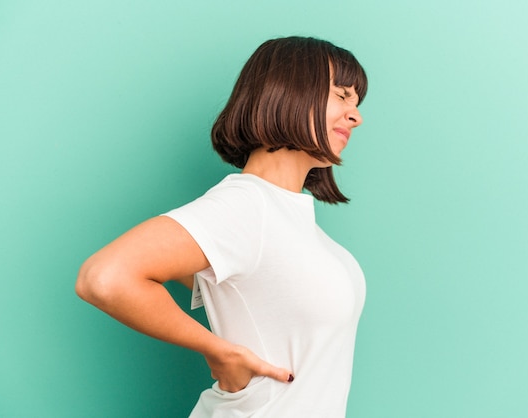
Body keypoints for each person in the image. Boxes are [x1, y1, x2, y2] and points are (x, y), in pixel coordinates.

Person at [76, 36, 368, 417]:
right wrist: (219, 351)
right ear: (290, 91)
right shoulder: (248, 207)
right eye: (342, 95)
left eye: (357, 102)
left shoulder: (286, 220)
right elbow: (104, 277)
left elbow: (251, 294)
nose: (356, 115)